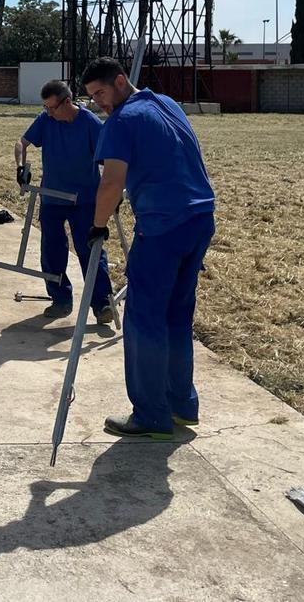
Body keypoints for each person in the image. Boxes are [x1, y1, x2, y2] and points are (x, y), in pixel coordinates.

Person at [81, 56, 216, 440]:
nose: (99, 103)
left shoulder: (122, 120)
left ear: (121, 81)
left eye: (101, 93)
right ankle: (181, 405)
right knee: (176, 315)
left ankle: (151, 415)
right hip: (200, 217)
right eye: (92, 98)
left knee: (143, 319)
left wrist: (97, 226)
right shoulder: (166, 104)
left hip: (163, 226)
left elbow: (110, 183)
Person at [14, 79, 114, 325]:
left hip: (85, 201)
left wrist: (113, 190)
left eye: (52, 107)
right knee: (52, 250)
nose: (48, 112)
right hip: (52, 199)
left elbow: (110, 159)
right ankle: (60, 299)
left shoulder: (90, 123)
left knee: (90, 251)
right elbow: (21, 143)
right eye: (46, 108)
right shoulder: (45, 120)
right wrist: (20, 167)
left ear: (67, 102)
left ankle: (102, 304)